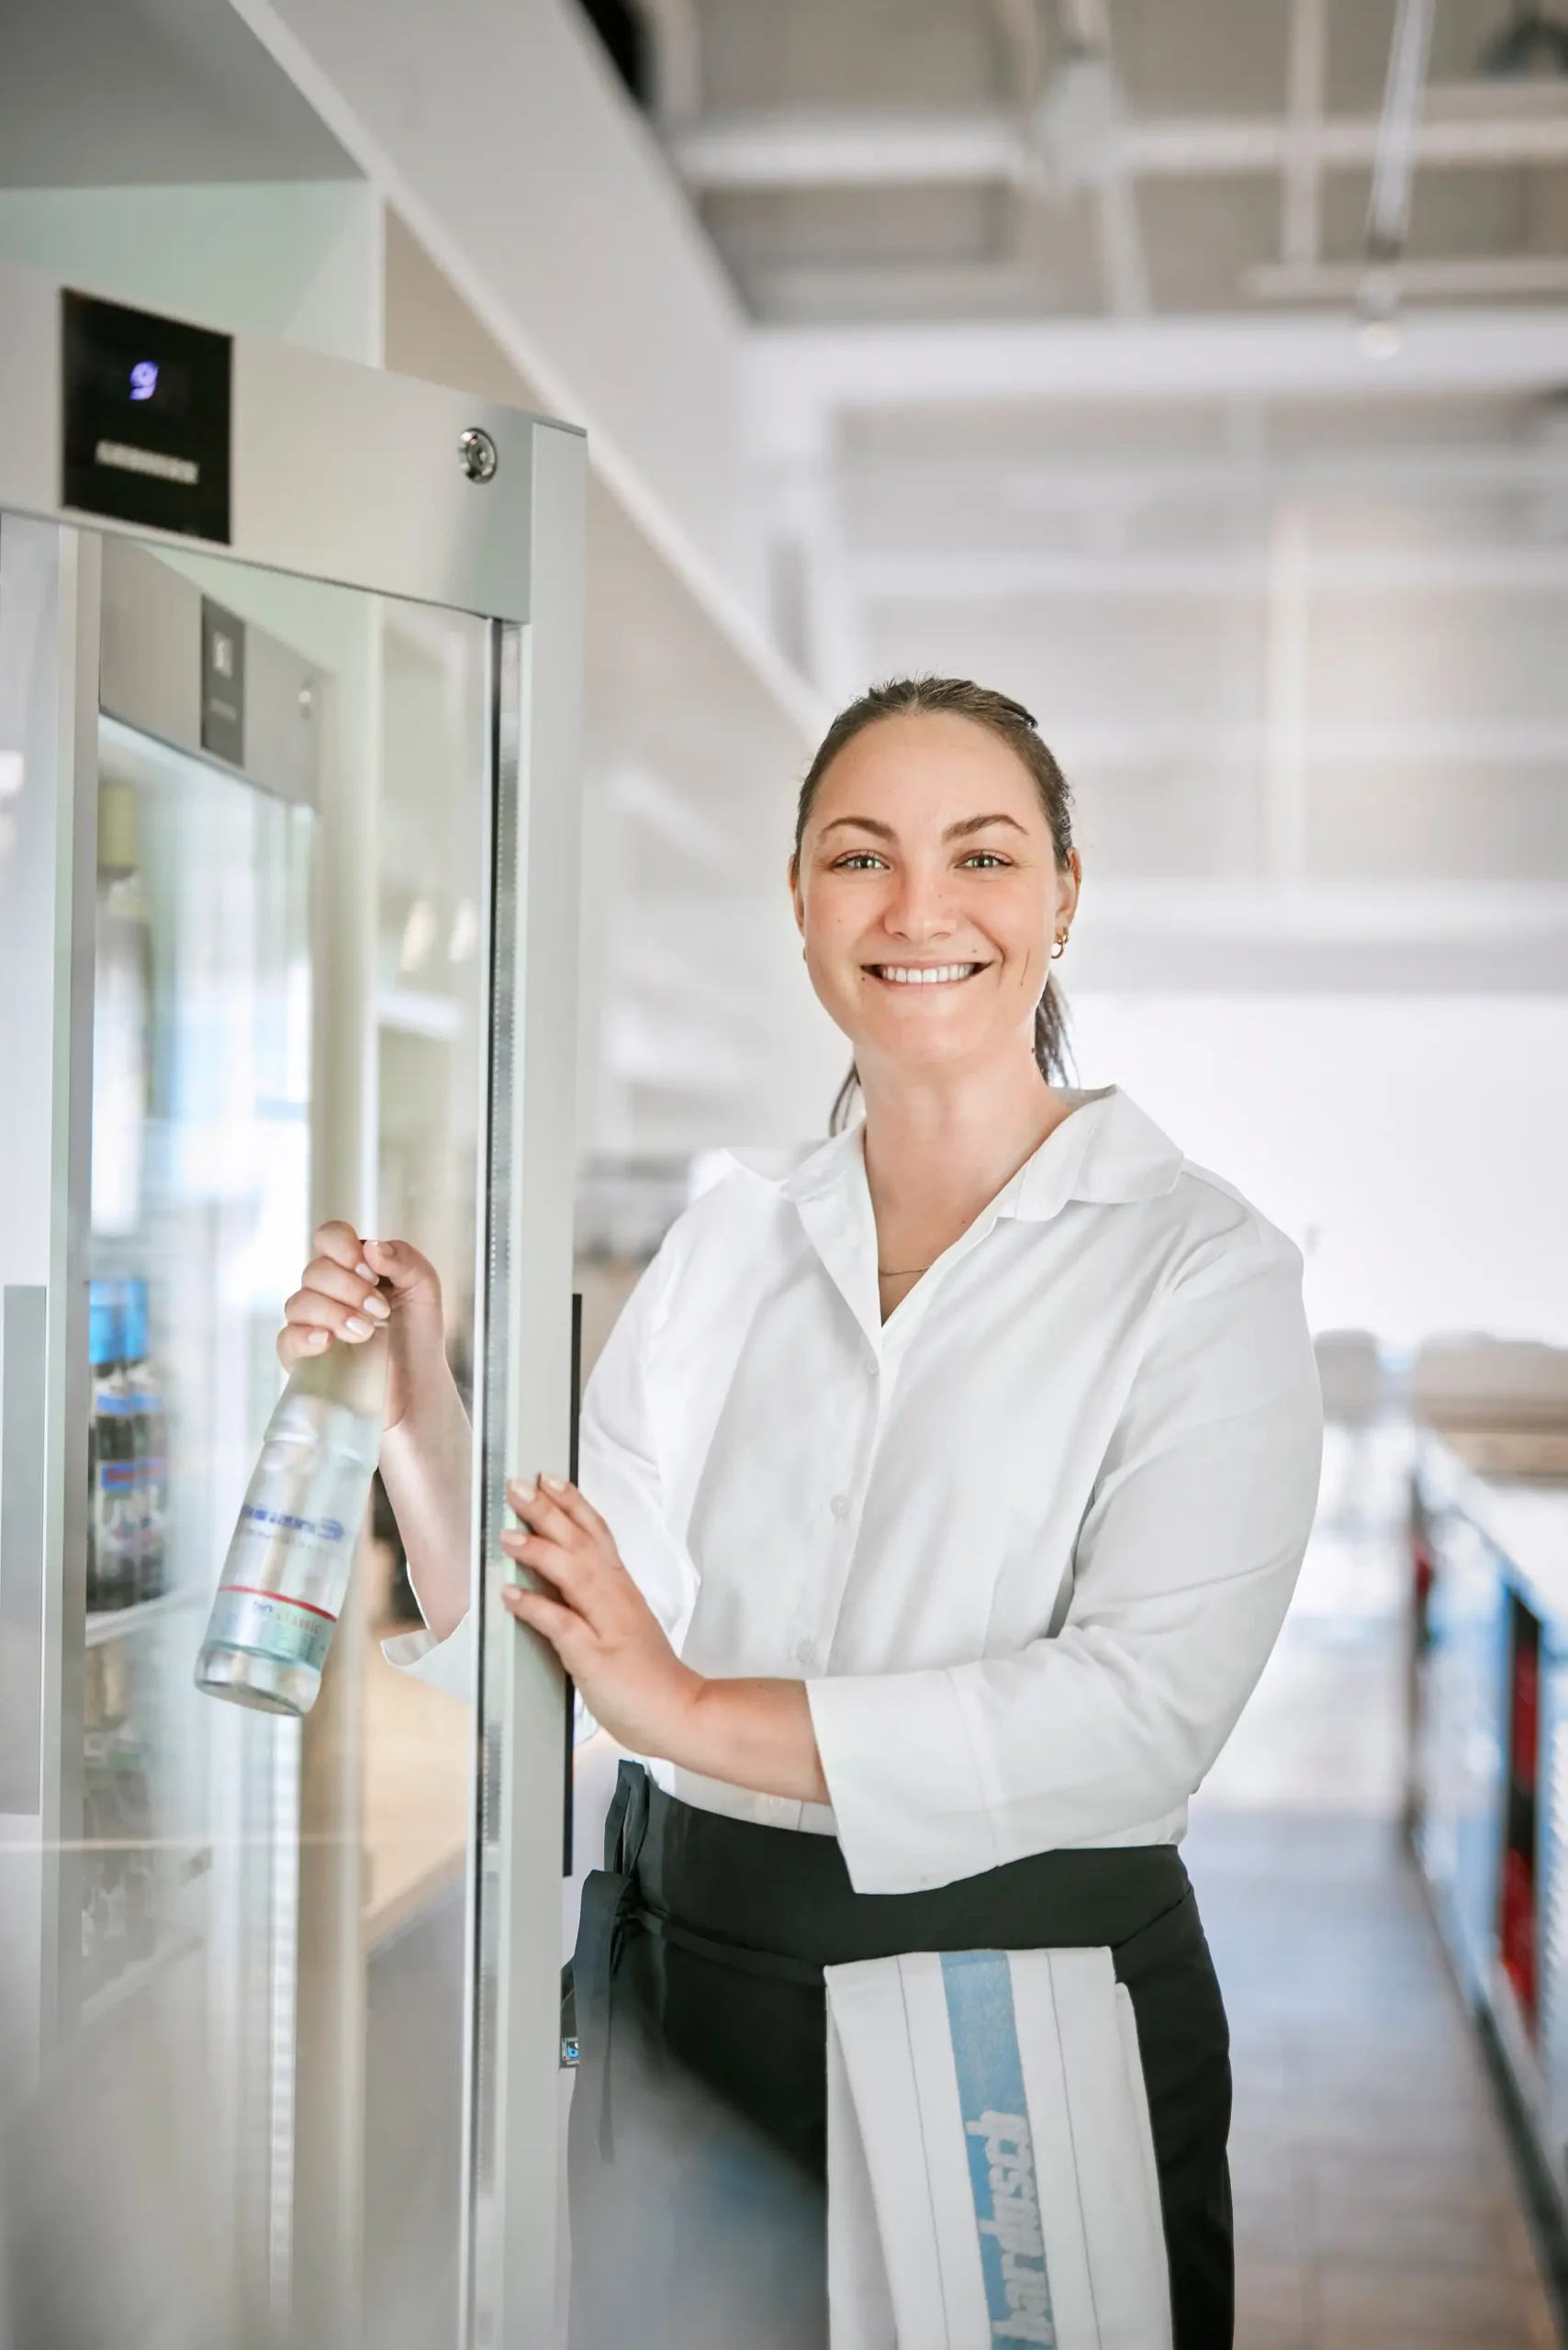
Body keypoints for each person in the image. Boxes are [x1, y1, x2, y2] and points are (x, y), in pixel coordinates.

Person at [281, 677, 1322, 2349]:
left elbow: (1138, 1722)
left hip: (1017, 2016)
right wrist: (421, 1416)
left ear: (1066, 890)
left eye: (980, 855)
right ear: (799, 902)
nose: (919, 911)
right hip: (693, 1977)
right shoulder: (734, 1239)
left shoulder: (1199, 1269)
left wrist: (690, 1709)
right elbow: (581, 1630)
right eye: (860, 858)